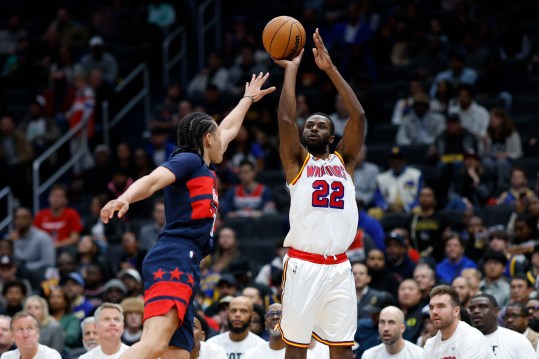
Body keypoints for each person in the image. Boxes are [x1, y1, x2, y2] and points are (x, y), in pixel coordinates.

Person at [100, 72, 274, 359]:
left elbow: (228, 129)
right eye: (218, 135)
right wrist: (125, 197)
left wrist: (246, 100)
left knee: (178, 353)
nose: (226, 139)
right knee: (154, 344)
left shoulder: (204, 165)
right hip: (174, 255)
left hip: (188, 258)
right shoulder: (188, 159)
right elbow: (154, 179)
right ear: (207, 139)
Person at [273, 28, 366, 359]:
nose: (311, 127)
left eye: (320, 125)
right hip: (304, 264)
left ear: (332, 136)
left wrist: (330, 69)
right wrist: (292, 70)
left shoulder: (346, 160)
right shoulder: (297, 161)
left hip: (340, 266)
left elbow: (359, 116)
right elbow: (286, 119)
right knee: (296, 349)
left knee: (342, 349)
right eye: (309, 124)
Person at [423, 285, 493, 358]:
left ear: (456, 311)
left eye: (441, 306)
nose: (434, 312)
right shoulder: (430, 344)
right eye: (431, 307)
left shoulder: (471, 338)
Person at [469, 294, 535, 358]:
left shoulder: (517, 340)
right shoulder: (462, 340)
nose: (476, 311)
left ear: (496, 312)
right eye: (472, 308)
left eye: (482, 307)